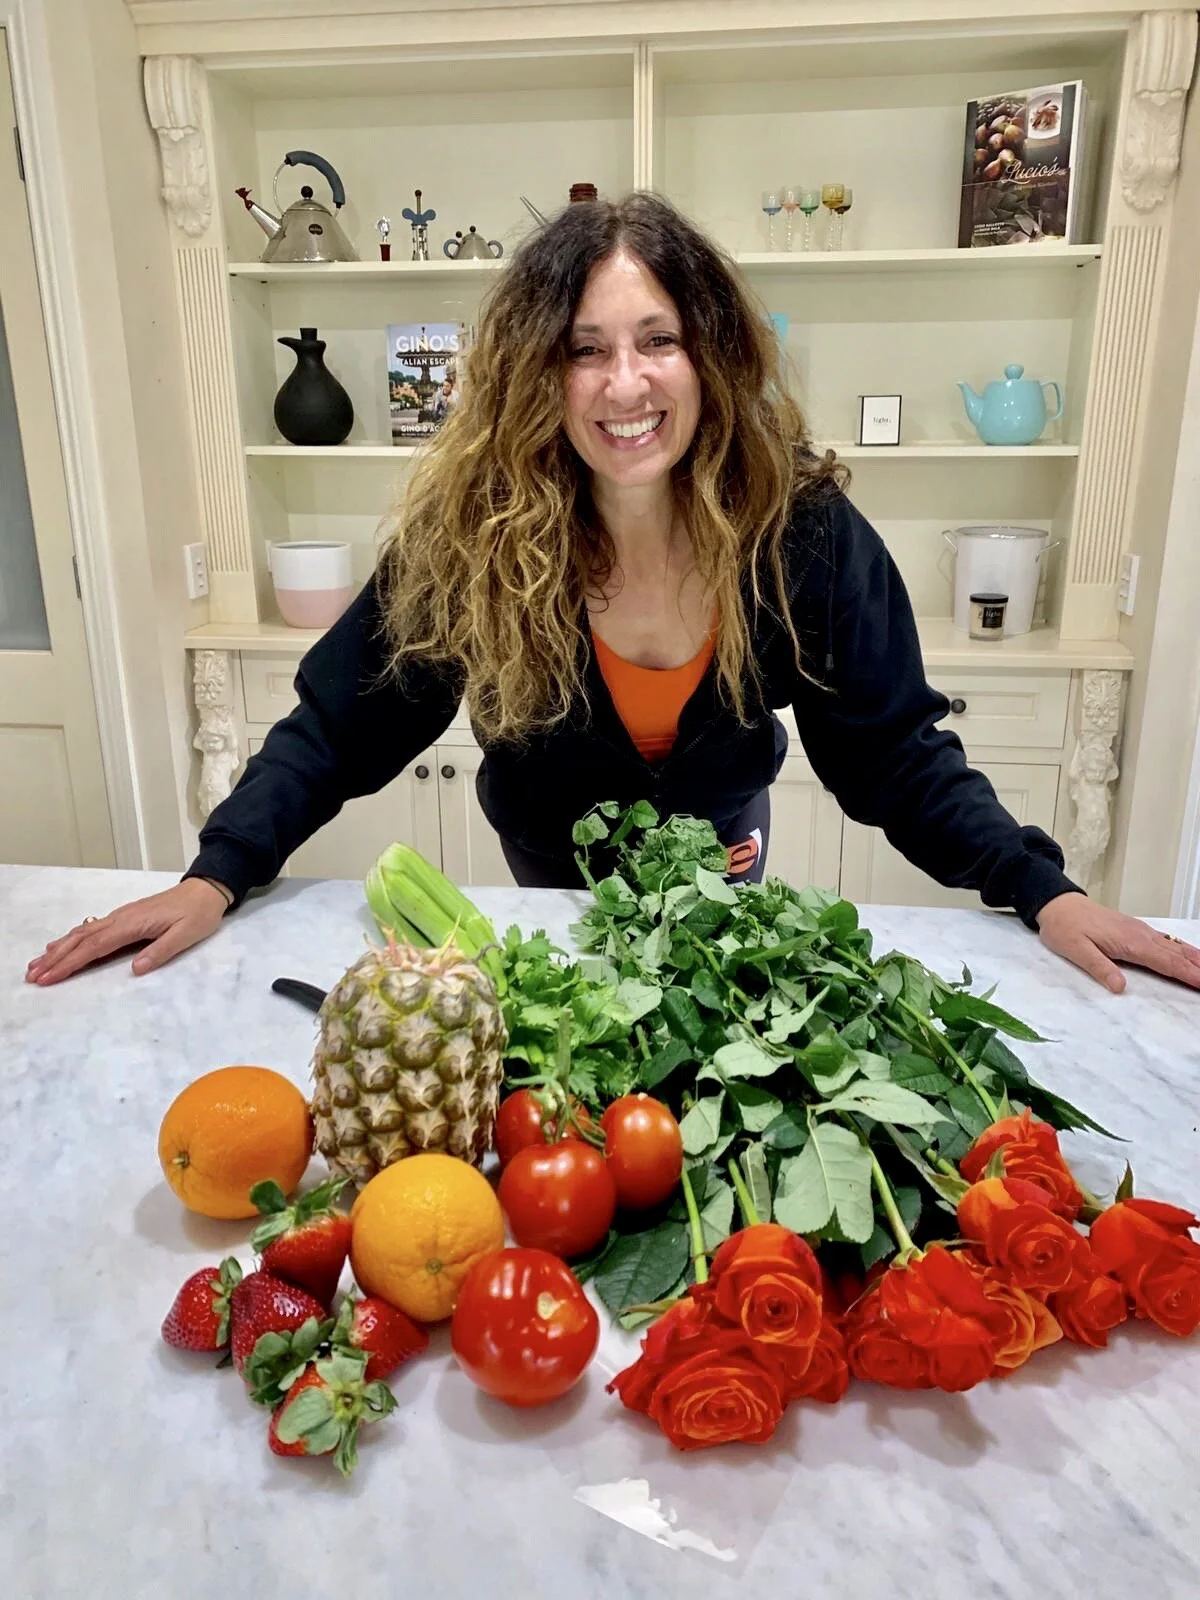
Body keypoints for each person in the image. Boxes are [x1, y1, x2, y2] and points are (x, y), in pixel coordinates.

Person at [26, 193, 1200, 997]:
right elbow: (341, 726)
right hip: (549, 873)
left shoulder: (798, 532)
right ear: (537, 373)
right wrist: (216, 872)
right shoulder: (473, 536)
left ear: (712, 355)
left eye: (658, 340)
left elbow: (893, 752)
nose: (624, 383)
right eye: (584, 349)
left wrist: (1041, 888)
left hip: (727, 861)